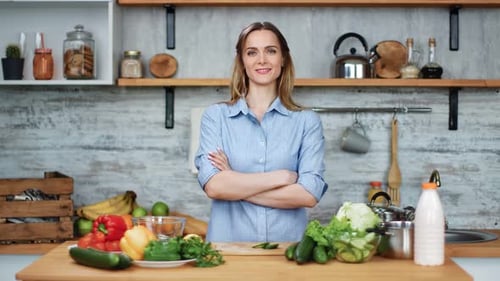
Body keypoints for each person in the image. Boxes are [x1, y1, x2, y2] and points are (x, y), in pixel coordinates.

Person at [194, 21, 328, 242]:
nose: (262, 60)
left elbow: (308, 194)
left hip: (290, 252)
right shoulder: (216, 117)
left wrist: (235, 183)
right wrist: (282, 177)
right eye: (252, 52)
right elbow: (215, 187)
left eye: (271, 51)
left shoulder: (307, 121)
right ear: (242, 61)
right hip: (227, 252)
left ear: (283, 58)